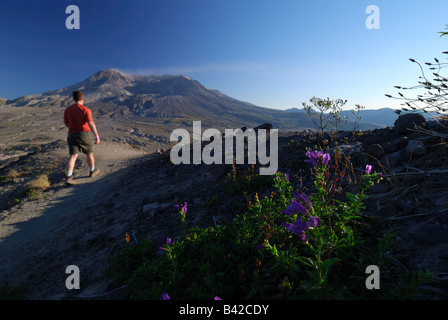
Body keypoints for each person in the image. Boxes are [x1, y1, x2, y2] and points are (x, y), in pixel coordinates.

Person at [64, 90, 100, 185]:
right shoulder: (85, 110)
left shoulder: (68, 110)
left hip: (71, 134)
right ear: (82, 99)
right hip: (84, 134)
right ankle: (92, 171)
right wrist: (96, 136)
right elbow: (91, 123)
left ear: (73, 98)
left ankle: (68, 177)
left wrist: (72, 128)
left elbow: (66, 123)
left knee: (73, 155)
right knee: (89, 154)